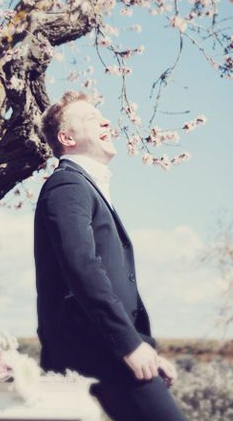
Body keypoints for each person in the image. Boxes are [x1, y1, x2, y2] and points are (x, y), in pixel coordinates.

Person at [34, 92, 187, 421]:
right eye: (91, 118)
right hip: (98, 355)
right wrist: (128, 345)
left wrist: (141, 344)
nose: (105, 121)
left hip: (106, 352)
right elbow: (83, 268)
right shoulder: (67, 186)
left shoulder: (84, 186)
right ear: (67, 138)